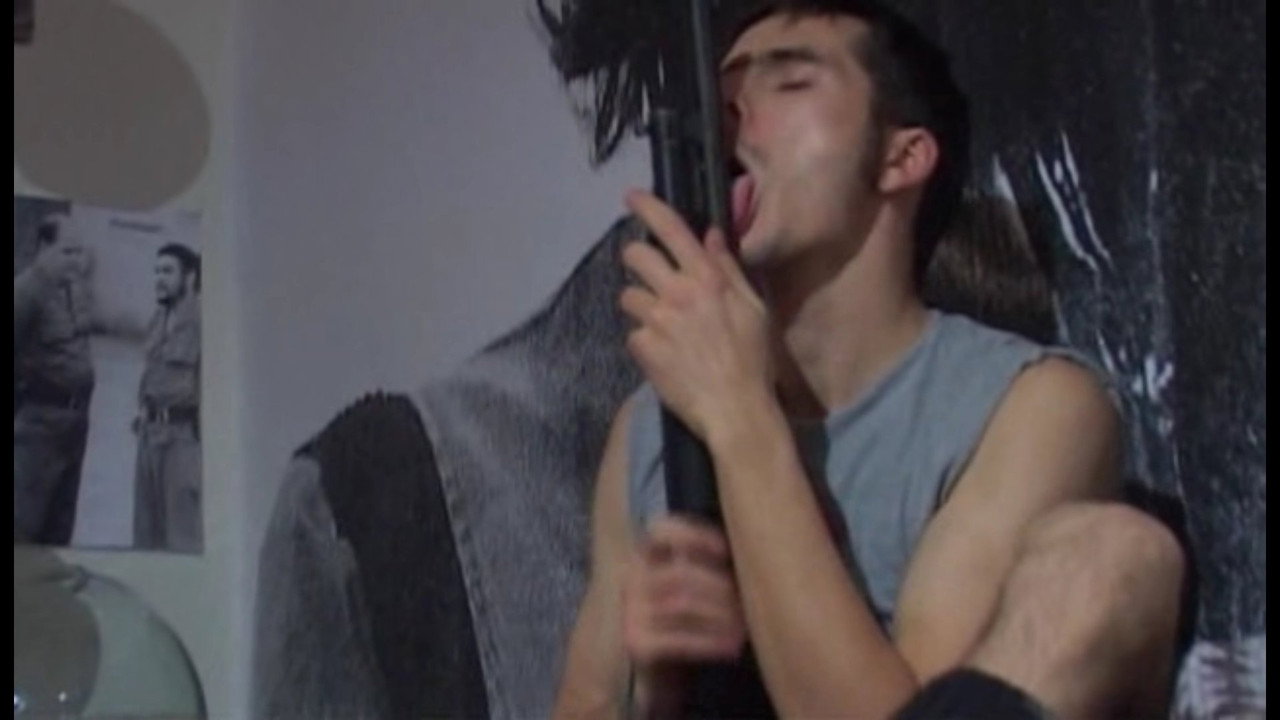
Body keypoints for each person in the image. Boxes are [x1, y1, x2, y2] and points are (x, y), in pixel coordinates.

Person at [552, 2, 1185, 719]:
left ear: (901, 157)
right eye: (722, 91)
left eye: (790, 83)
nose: (731, 110)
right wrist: (657, 693)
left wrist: (739, 417)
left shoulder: (1026, 407)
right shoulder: (646, 432)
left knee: (1118, 556)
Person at [14, 212, 95, 546]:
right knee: (25, 525)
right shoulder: (25, 292)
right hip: (39, 428)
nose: (76, 260)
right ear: (43, 247)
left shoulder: (68, 290)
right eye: (67, 251)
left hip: (73, 426)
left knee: (59, 530)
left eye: (79, 252)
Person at [133, 242, 203, 552]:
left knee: (182, 537)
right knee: (146, 535)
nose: (159, 279)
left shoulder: (202, 323)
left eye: (167, 271)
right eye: (156, 271)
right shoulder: (158, 318)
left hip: (182, 441)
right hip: (149, 438)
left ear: (189, 277)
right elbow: (151, 372)